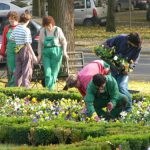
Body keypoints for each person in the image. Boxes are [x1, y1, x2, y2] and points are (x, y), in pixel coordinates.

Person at [103, 32, 142, 112]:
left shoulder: (138, 47)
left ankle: (129, 108)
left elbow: (134, 60)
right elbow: (107, 43)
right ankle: (117, 107)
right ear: (128, 40)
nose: (134, 47)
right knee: (114, 87)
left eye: (136, 46)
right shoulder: (120, 38)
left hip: (124, 69)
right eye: (133, 45)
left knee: (122, 87)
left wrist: (129, 68)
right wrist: (107, 52)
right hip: (114, 66)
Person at [37, 16, 68, 90]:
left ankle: (49, 90)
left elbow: (64, 42)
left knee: (54, 73)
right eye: (46, 26)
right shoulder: (42, 31)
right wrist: (39, 54)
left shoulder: (58, 30)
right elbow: (40, 44)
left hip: (56, 52)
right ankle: (50, 90)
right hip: (46, 53)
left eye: (49, 25)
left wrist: (64, 52)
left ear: (52, 23)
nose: (48, 28)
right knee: (47, 73)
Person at [10, 12, 37, 88]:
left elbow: (11, 38)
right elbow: (28, 43)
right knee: (26, 70)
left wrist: (18, 41)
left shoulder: (16, 28)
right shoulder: (26, 29)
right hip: (25, 49)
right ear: (28, 21)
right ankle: (26, 88)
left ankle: (17, 88)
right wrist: (34, 55)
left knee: (18, 70)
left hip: (17, 50)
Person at [0, 11, 19, 87]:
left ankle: (13, 85)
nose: (11, 20)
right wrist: (1, 54)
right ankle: (11, 86)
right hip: (10, 52)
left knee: (17, 69)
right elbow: (4, 42)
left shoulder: (20, 27)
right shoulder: (6, 28)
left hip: (19, 51)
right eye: (10, 19)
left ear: (16, 19)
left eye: (13, 19)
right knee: (11, 70)